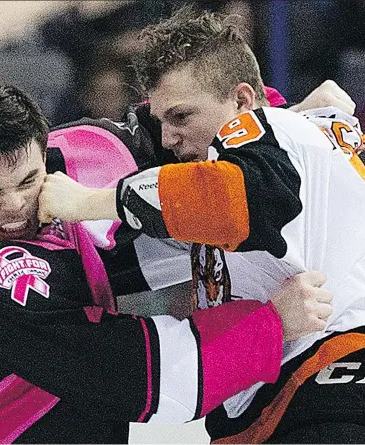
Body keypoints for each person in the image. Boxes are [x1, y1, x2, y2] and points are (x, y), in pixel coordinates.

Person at [0, 85, 333, 444]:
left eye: (27, 182)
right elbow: (132, 374)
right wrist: (273, 323)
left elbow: (168, 133)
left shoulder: (74, 156)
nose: (13, 208)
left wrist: (279, 121)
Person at [37, 7, 365, 444]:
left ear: (243, 101)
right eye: (162, 122)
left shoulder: (267, 132)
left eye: (181, 117)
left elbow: (230, 198)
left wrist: (87, 202)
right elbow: (123, 260)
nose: (169, 138)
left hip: (331, 379)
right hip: (272, 398)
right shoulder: (286, 147)